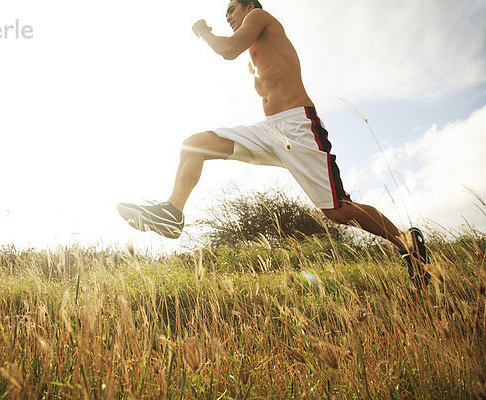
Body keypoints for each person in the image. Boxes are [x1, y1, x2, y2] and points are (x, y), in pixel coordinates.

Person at [117, 0, 430, 286]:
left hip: (299, 126)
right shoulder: (256, 50)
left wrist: (203, 33)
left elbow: (227, 50)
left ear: (249, 6)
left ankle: (407, 243)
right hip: (271, 131)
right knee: (194, 144)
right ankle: (172, 214)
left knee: (337, 211)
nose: (227, 17)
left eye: (232, 11)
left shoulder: (260, 16)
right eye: (225, 14)